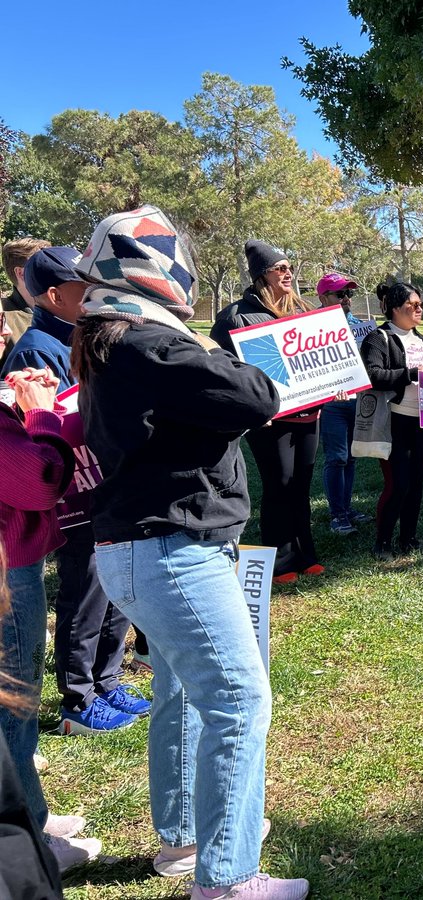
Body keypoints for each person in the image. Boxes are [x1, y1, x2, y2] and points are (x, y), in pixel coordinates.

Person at [72, 206, 307, 898]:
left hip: (144, 551)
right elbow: (257, 392)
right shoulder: (150, 346)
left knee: (184, 698)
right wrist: (236, 347)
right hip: (174, 551)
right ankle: (228, 877)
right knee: (237, 700)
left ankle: (184, 839)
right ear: (156, 272)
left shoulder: (115, 341)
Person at [3, 247, 147, 735]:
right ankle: (78, 699)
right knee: (84, 591)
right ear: (54, 294)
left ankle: (106, 682)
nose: (93, 293)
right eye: (82, 286)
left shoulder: (87, 334)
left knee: (113, 590)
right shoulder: (38, 347)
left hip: (105, 484)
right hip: (73, 492)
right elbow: (34, 426)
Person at [1, 365, 102, 873]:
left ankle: (30, 813)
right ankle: (30, 842)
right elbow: (38, 481)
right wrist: (41, 413)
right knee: (12, 709)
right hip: (6, 572)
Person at [212, 241, 321, 585]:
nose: (288, 273)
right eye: (280, 268)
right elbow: (222, 365)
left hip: (310, 415)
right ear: (262, 275)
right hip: (270, 419)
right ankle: (282, 558)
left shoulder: (304, 310)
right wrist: (248, 404)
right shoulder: (236, 315)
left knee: (301, 485)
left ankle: (307, 553)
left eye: (290, 267)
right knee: (279, 486)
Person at [0, 544, 65, 899]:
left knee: (20, 713)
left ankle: (32, 813)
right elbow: (31, 492)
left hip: (19, 554)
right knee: (15, 715)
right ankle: (33, 833)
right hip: (14, 557)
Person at [361, 282, 423, 560]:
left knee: (416, 484)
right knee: (398, 484)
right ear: (396, 308)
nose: (419, 309)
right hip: (393, 422)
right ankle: (382, 542)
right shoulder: (377, 339)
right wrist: (408, 374)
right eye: (413, 305)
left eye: (421, 305)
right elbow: (371, 375)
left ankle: (408, 538)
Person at [315, 273, 374, 535]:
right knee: (336, 458)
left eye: (349, 294)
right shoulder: (309, 327)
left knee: (351, 459)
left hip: (357, 400)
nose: (346, 299)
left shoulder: (360, 327)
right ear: (323, 297)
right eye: (340, 294)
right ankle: (337, 514)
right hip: (330, 404)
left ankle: (347, 508)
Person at [1, 238, 51, 367]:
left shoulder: (62, 309)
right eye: (43, 265)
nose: (53, 270)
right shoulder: (4, 318)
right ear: (21, 273)